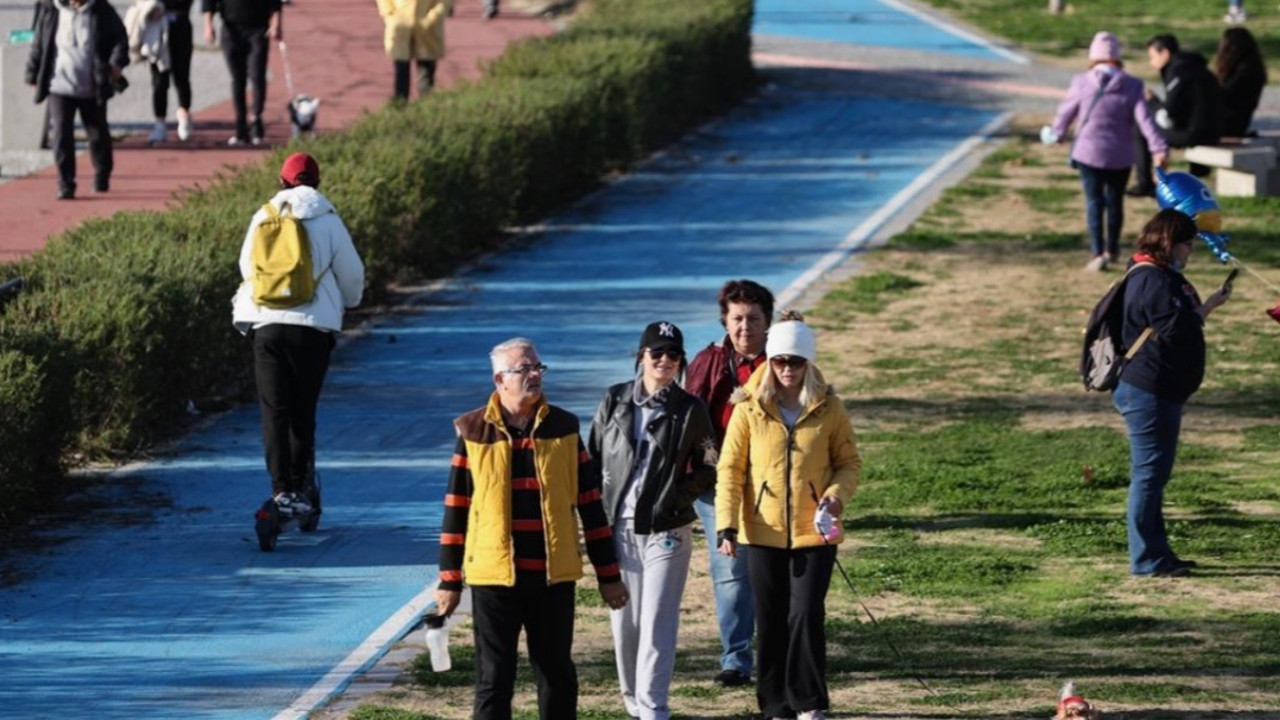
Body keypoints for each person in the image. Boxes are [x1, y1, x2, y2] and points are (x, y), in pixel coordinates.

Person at [435, 337, 629, 720]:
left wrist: (609, 575)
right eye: (524, 369)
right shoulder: (472, 431)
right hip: (494, 578)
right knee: (494, 677)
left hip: (552, 576)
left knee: (556, 673)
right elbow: (456, 510)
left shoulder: (564, 427)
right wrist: (449, 580)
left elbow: (591, 505)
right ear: (499, 379)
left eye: (538, 367)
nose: (535, 375)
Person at [716, 312, 861, 720]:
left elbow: (849, 463)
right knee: (771, 617)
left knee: (806, 614)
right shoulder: (748, 407)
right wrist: (726, 524)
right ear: (769, 360)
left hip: (814, 532)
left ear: (808, 363)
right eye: (779, 361)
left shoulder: (829, 408)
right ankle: (775, 705)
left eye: (795, 362)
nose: (786, 370)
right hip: (761, 531)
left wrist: (834, 498)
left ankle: (810, 702)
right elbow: (730, 469)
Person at [588, 321, 717, 720]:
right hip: (619, 529)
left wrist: (678, 496)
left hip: (667, 530)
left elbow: (712, 463)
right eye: (656, 352)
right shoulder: (614, 400)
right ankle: (633, 701)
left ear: (681, 362)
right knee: (625, 624)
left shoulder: (690, 409)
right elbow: (591, 457)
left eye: (673, 354)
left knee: (658, 621)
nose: (664, 360)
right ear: (641, 355)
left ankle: (654, 708)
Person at [232, 153, 365, 513]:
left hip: (266, 326)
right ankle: (303, 486)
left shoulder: (264, 216)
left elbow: (247, 267)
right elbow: (352, 275)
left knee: (274, 409)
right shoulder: (328, 218)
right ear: (317, 182)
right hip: (312, 329)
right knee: (303, 409)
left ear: (282, 181)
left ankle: (281, 489)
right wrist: (346, 302)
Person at [1113, 209, 1230, 577]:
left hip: (1158, 389)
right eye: (1187, 246)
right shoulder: (1153, 280)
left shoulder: (1157, 276)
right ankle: (1147, 560)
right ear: (1170, 243)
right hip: (1148, 390)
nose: (1189, 253)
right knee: (1148, 475)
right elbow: (1175, 328)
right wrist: (1203, 309)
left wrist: (1208, 305)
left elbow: (1177, 322)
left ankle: (1157, 552)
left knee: (1154, 475)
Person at [685, 278, 775, 688]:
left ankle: (782, 652)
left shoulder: (784, 361)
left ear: (767, 321)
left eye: (753, 318)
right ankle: (736, 658)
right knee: (730, 571)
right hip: (719, 483)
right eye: (737, 318)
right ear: (724, 320)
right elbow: (689, 421)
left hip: (775, 483)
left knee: (776, 570)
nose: (744, 327)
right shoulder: (707, 363)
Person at [1047, 31, 1168, 272]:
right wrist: (1158, 148)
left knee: (1094, 202)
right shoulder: (1132, 85)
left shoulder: (1082, 81)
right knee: (1115, 202)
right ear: (1118, 57)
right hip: (1120, 155)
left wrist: (1058, 132)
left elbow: (1066, 111)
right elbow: (1145, 121)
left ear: (1093, 56)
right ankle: (1112, 250)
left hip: (1088, 152)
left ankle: (1096, 251)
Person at [24, 0, 129, 200]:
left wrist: (116, 64)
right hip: (59, 84)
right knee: (61, 133)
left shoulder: (101, 11)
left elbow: (119, 39)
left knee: (97, 133)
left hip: (92, 85)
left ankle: (101, 172)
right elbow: (40, 42)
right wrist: (32, 72)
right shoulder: (51, 10)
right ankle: (65, 183)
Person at [1129, 34, 1223, 197]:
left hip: (1197, 134)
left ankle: (1144, 184)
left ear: (1164, 53)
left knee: (1141, 127)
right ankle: (1199, 171)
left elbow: (1168, 115)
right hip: (1212, 130)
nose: (1151, 63)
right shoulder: (1194, 66)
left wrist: (1152, 102)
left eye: (1152, 57)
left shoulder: (1178, 71)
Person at [203, 0, 282, 145]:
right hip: (231, 29)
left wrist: (276, 23)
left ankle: (257, 121)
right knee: (238, 79)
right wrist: (208, 25)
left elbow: (275, 3)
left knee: (257, 74)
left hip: (258, 28)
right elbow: (209, 3)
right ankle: (241, 128)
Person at [377, 0, 450, 100]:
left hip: (427, 25)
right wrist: (389, 15)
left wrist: (432, 17)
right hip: (401, 25)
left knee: (426, 73)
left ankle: (426, 108)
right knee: (401, 70)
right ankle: (401, 106)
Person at [1215, 26, 1267, 138]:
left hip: (1230, 123)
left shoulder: (1246, 71)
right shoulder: (1249, 68)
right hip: (1234, 121)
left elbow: (1225, 96)